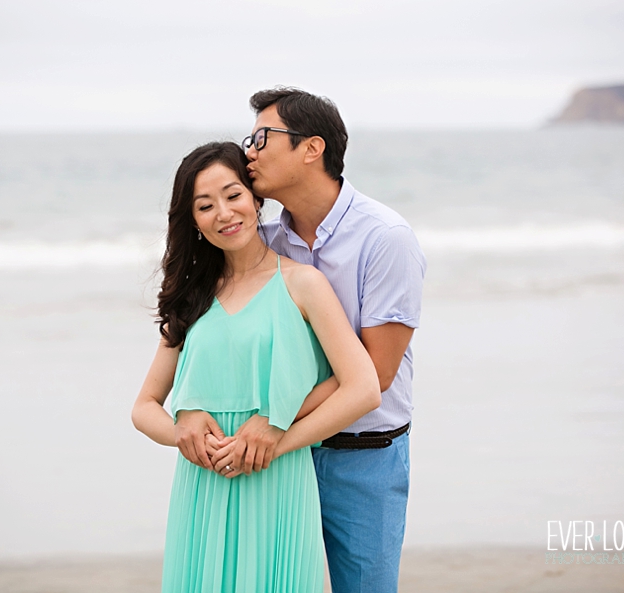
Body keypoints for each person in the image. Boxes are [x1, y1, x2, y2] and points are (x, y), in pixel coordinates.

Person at [176, 88, 427, 592]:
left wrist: (275, 422)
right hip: (281, 464)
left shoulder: (384, 239)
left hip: (361, 457)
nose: (250, 151)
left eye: (262, 138)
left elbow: (375, 373)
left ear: (312, 149)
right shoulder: (264, 241)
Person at [131, 141, 380, 593]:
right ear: (193, 222)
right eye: (205, 206)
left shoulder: (303, 283)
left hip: (278, 481)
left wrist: (278, 438)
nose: (224, 213)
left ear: (255, 197)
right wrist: (180, 430)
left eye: (233, 195)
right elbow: (144, 406)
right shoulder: (191, 296)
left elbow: (363, 387)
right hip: (202, 487)